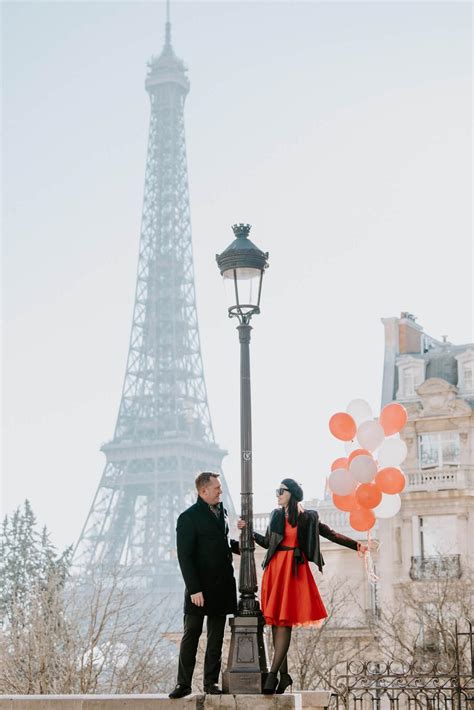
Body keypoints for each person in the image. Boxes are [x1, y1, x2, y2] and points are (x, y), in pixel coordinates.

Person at [252, 478, 367, 694]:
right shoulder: (276, 515)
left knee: (284, 623)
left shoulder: (308, 517)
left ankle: (272, 676)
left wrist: (356, 545)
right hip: (275, 570)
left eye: (280, 491)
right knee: (276, 623)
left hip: (293, 571)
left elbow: (330, 534)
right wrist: (249, 531)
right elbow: (268, 543)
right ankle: (284, 677)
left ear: (291, 493)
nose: (277, 494)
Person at [168, 471, 239, 699]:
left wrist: (241, 541)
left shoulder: (224, 513)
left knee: (216, 638)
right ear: (203, 491)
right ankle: (183, 684)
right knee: (192, 634)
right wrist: (194, 589)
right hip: (199, 589)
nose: (221, 490)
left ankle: (210, 682)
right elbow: (185, 556)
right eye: (217, 487)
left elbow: (222, 543)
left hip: (221, 587)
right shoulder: (188, 517)